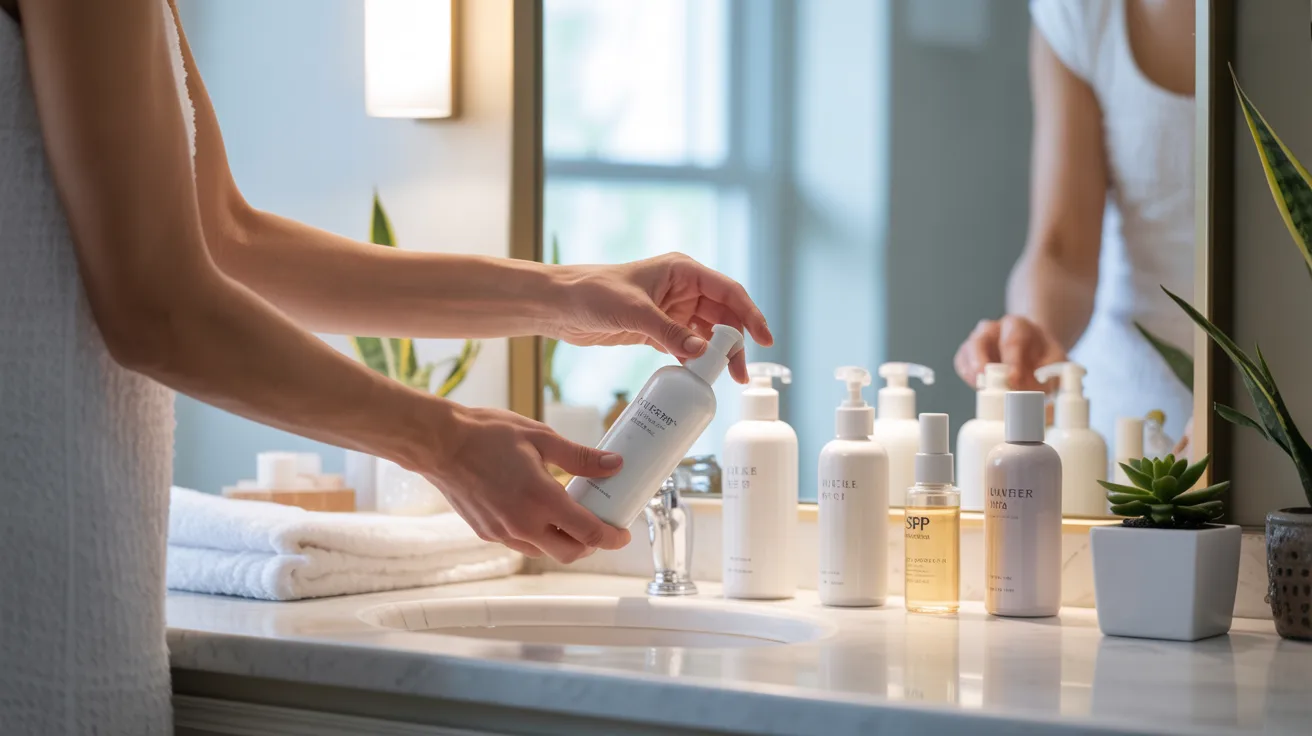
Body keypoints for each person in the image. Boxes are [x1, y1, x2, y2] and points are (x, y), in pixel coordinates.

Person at [0, 1, 772, 733]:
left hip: (84, 571)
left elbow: (227, 239)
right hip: (40, 584)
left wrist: (566, 294)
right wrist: (443, 440)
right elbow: (157, 308)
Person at [953, 0, 1194, 454]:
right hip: (1126, 422)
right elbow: (1063, 249)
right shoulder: (1080, 11)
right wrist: (1032, 337)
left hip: (1285, 429)